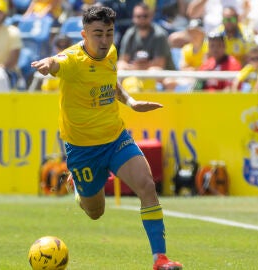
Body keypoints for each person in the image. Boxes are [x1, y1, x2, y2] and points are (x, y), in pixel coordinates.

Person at [31, 5, 183, 269]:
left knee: (147, 186)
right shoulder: (72, 60)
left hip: (115, 137)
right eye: (97, 34)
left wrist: (131, 101)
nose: (104, 40)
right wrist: (49, 63)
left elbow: (109, 81)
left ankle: (160, 259)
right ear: (84, 33)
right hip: (83, 149)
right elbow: (57, 62)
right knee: (95, 212)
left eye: (109, 33)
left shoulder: (111, 52)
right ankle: (79, 186)